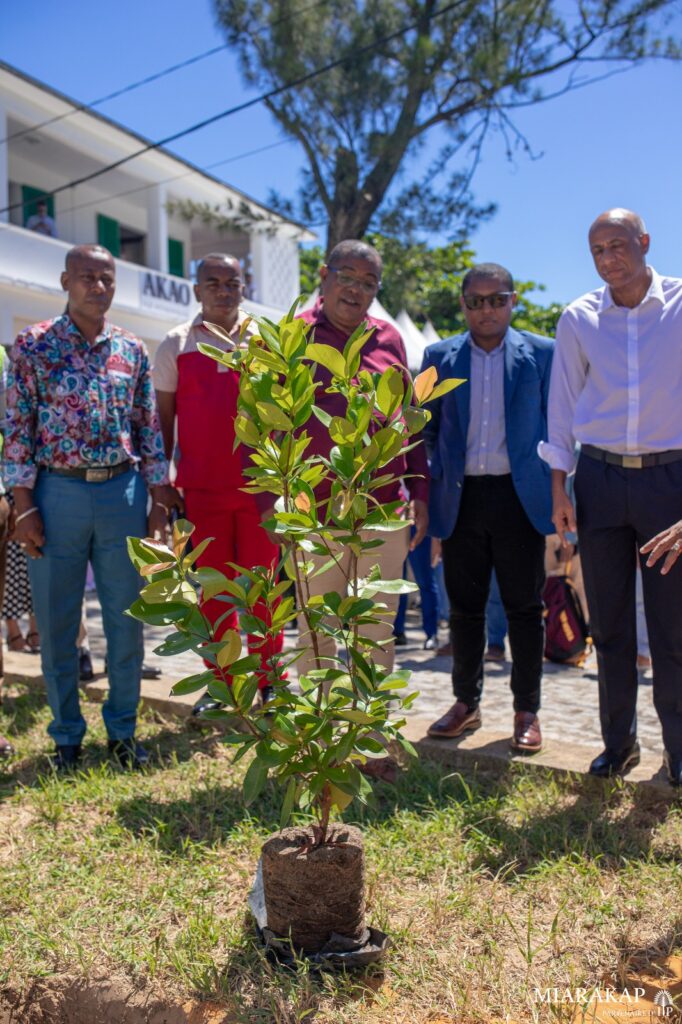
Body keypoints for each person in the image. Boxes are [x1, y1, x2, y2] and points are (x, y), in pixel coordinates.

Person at [4, 244, 180, 772]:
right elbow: (17, 430)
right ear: (65, 281)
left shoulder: (131, 349)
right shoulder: (33, 345)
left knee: (127, 620)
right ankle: (66, 738)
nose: (97, 287)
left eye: (106, 278)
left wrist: (156, 497)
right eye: (86, 277)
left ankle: (123, 735)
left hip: (122, 494)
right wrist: (24, 505)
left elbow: (148, 428)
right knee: (58, 625)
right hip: (57, 496)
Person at [543, 208, 682, 785]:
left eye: (618, 245)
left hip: (669, 482)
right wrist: (560, 491)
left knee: (674, 630)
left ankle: (679, 752)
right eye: (598, 249)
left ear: (644, 243)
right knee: (611, 627)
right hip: (597, 483)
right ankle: (618, 745)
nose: (609, 258)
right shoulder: (578, 318)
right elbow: (562, 408)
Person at [423, 263, 554, 753]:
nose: (487, 309)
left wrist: (561, 493)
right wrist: (436, 476)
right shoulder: (438, 356)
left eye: (496, 299)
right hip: (462, 497)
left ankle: (527, 711)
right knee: (465, 610)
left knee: (524, 609)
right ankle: (466, 703)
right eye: (476, 301)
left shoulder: (543, 353)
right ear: (463, 305)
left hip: (520, 496)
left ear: (512, 301)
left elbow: (560, 427)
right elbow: (425, 428)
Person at [153, 253, 283, 713]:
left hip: (259, 495)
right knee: (214, 595)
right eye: (214, 283)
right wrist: (161, 481)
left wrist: (281, 486)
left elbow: (283, 417)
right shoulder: (176, 345)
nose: (224, 291)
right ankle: (224, 686)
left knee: (263, 592)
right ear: (197, 290)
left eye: (233, 282)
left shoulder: (267, 341)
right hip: (202, 494)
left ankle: (271, 683)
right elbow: (162, 425)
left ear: (244, 287)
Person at [293, 239, 429, 677]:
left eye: (368, 282)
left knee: (376, 631)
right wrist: (272, 508)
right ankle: (319, 740)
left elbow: (409, 418)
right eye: (346, 277)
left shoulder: (388, 338)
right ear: (323, 276)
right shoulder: (294, 336)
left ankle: (369, 739)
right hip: (314, 512)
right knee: (316, 632)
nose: (355, 289)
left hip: (382, 509)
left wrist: (420, 490)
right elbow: (264, 423)